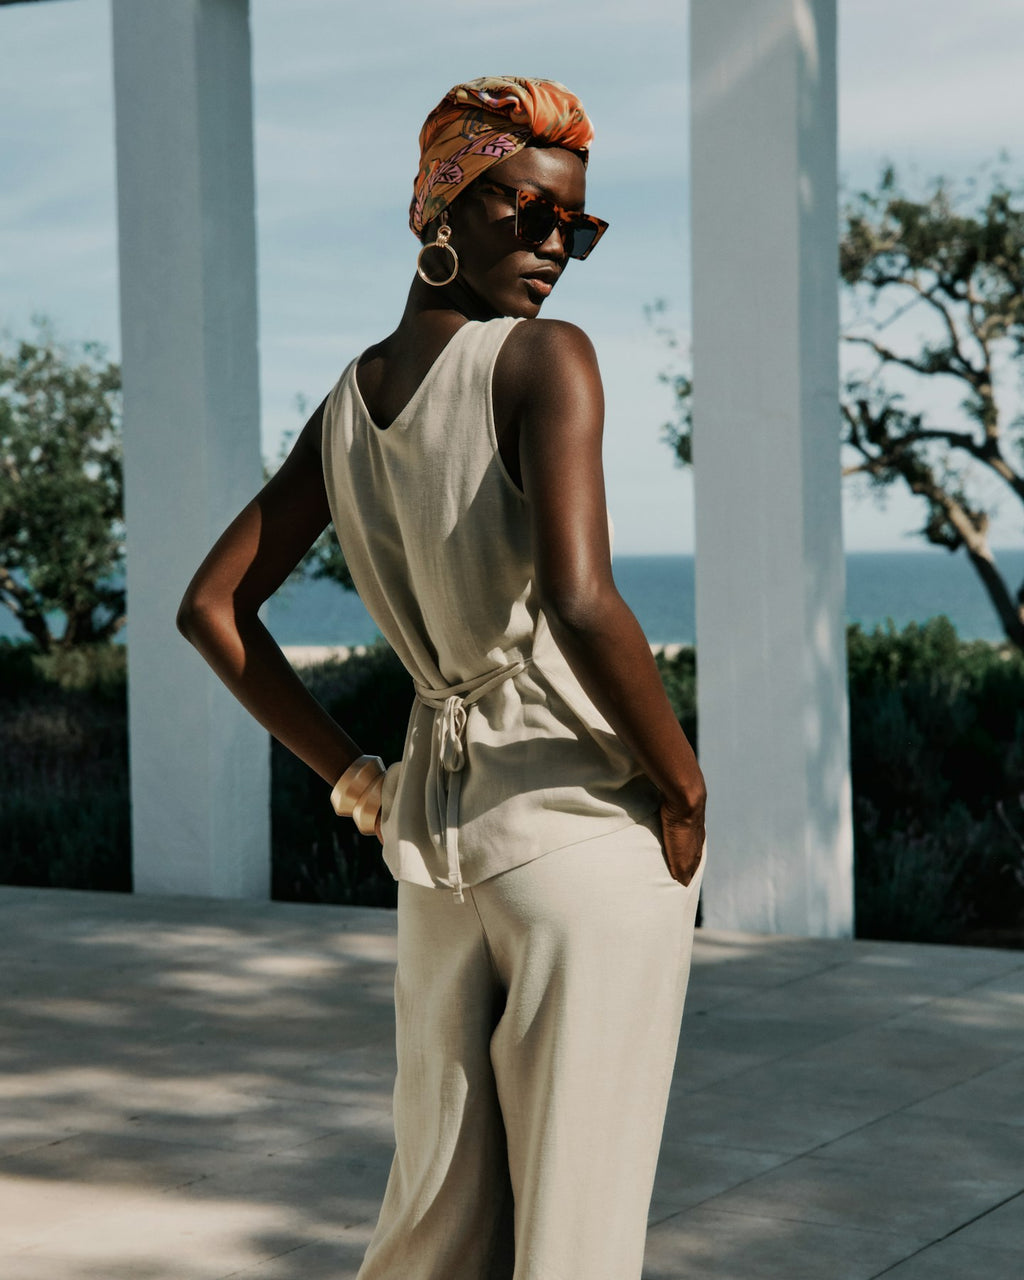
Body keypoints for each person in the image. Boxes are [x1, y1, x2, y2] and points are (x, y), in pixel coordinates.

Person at [178, 75, 706, 1280]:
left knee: (434, 1230)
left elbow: (211, 607)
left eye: (577, 225)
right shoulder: (544, 360)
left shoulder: (347, 404)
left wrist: (359, 780)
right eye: (528, 210)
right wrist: (683, 788)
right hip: (578, 830)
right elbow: (581, 598)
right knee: (573, 1236)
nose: (555, 245)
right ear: (441, 208)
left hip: (436, 850)